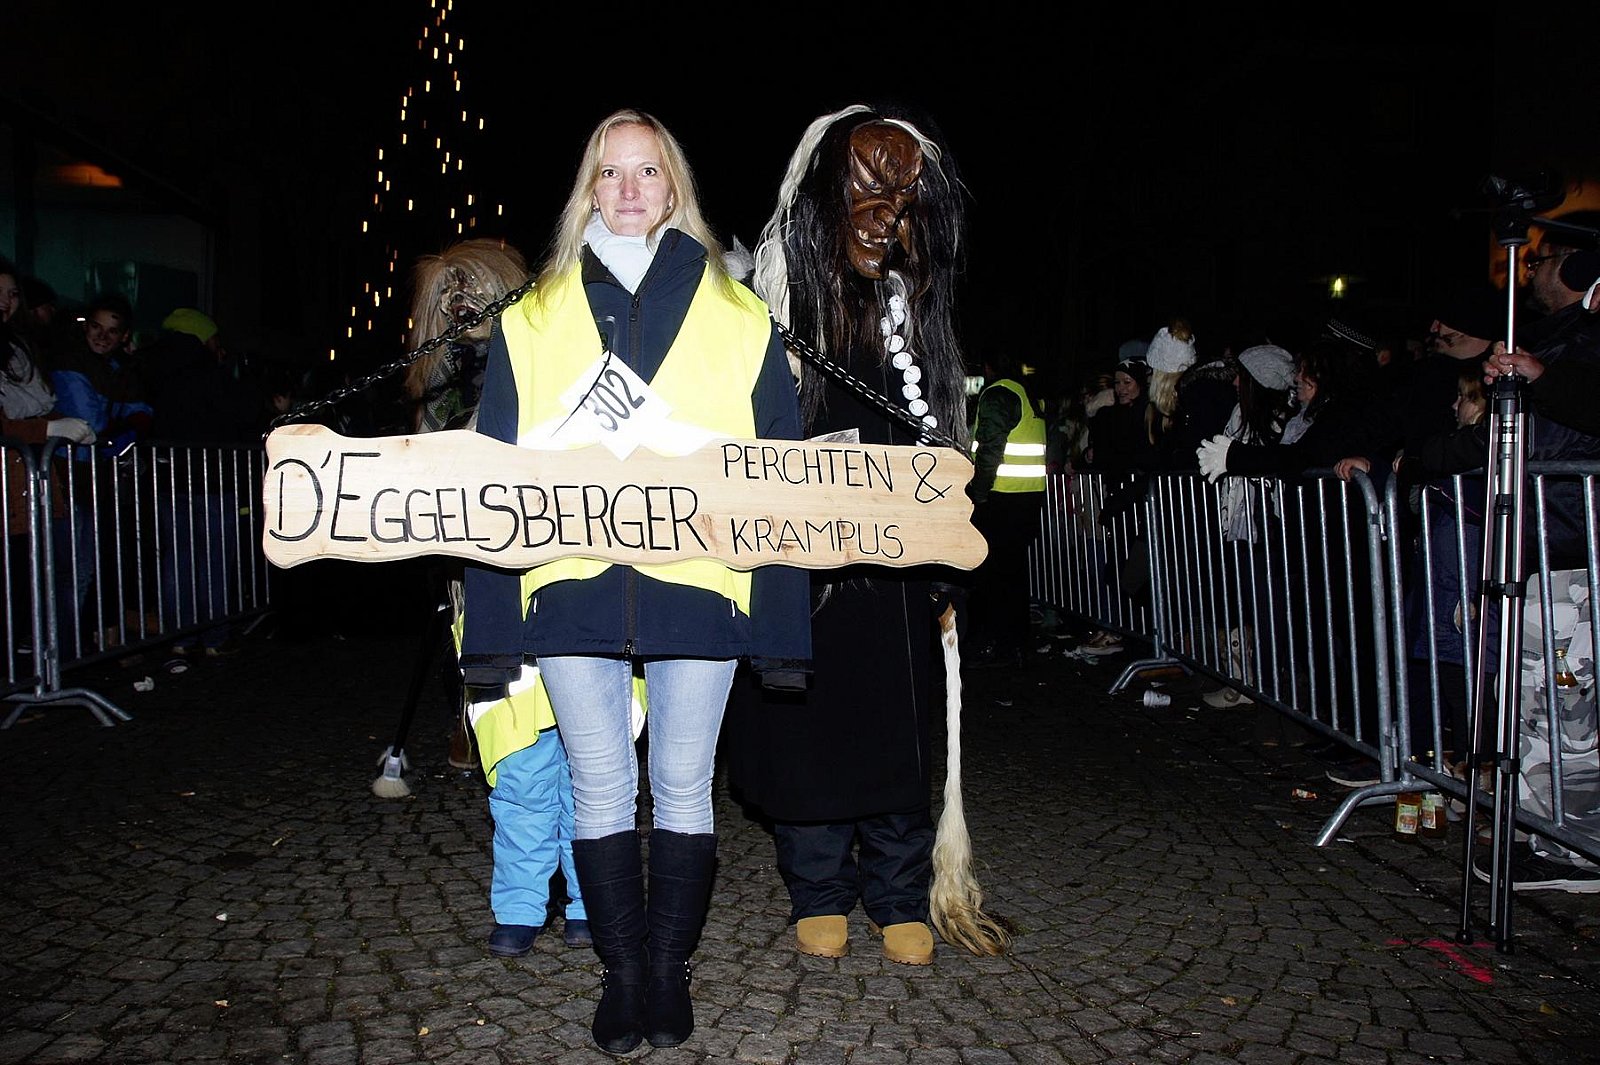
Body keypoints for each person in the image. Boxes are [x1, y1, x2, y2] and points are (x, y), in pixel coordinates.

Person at [458, 108, 810, 1055]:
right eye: (609, 171)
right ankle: (622, 973)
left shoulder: (741, 316)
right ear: (588, 189)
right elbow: (492, 477)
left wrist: (783, 630)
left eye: (646, 170)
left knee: (685, 786)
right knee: (601, 786)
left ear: (673, 186)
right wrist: (492, 629)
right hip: (570, 586)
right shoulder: (532, 316)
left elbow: (778, 477)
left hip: (702, 584)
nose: (627, 188)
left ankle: (668, 968)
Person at [725, 102, 973, 972]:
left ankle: (897, 895)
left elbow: (942, 438)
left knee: (896, 735)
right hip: (806, 575)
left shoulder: (914, 315)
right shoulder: (769, 312)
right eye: (866, 190)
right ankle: (820, 889)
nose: (883, 216)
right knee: (809, 732)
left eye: (901, 199)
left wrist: (945, 564)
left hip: (894, 581)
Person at [397, 236, 592, 957]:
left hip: (568, 581)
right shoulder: (441, 396)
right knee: (516, 751)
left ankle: (589, 895)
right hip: (485, 593)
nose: (460, 303)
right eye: (449, 293)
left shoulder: (553, 366)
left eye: (472, 289)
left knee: (588, 756)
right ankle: (520, 899)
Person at [139, 307, 257, 656]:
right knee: (214, 560)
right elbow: (241, 416)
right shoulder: (210, 373)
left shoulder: (153, 369)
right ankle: (214, 637)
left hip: (170, 480)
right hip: (213, 480)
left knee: (177, 560)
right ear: (204, 338)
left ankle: (180, 636)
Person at [966, 349, 1047, 667]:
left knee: (991, 576)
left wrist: (977, 493)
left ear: (988, 367)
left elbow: (990, 448)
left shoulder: (998, 394)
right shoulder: (1026, 393)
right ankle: (1015, 644)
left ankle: (995, 644)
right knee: (1012, 576)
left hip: (1000, 498)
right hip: (1026, 497)